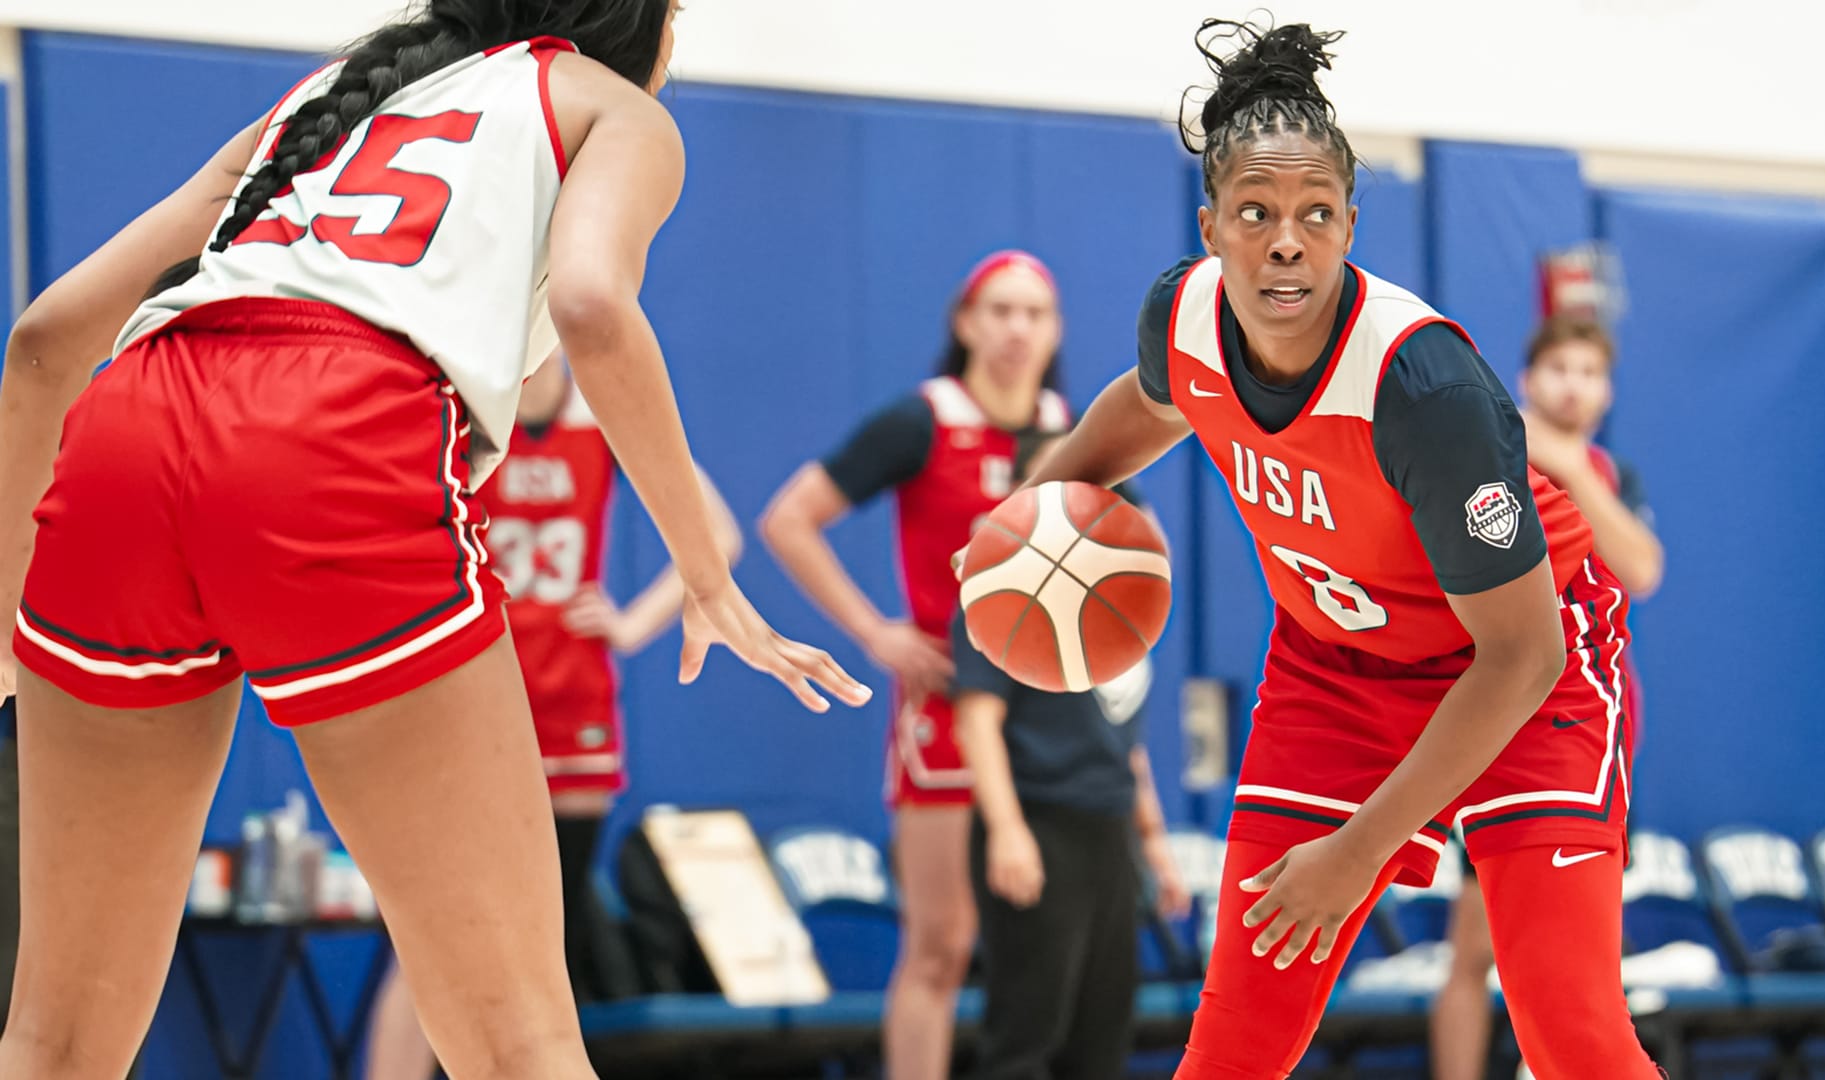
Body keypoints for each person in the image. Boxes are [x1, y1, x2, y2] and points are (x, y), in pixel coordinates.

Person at [0, 2, 869, 1075]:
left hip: (126, 430)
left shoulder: (322, 97)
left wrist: (10, 631)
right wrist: (705, 575)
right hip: (333, 431)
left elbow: (42, 343)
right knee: (520, 1042)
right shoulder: (615, 110)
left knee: (55, 1038)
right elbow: (596, 306)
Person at [973, 19, 1660, 1079]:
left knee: (1569, 1028)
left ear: (1348, 225)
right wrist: (1027, 519)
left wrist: (1357, 852)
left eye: (1313, 215)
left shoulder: (1423, 387)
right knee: (1233, 1048)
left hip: (1528, 669)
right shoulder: (1187, 319)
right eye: (1254, 213)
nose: (1284, 240)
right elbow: (1150, 401)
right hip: (1332, 671)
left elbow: (1521, 658)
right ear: (1211, 226)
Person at [363, 353, 744, 1080]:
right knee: (427, 946)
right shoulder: (463, 406)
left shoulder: (601, 416)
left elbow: (719, 535)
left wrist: (633, 624)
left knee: (543, 949)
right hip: (470, 693)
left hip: (573, 700)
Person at [760, 251, 1070, 1080]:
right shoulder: (924, 420)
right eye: (999, 310)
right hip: (945, 702)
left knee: (1047, 945)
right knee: (942, 943)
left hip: (1046, 710)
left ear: (1055, 330)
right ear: (966, 323)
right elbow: (790, 519)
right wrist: (874, 632)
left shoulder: (1067, 426)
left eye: (1034, 313)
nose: (1016, 328)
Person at [1430, 314, 1663, 1080]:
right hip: (1500, 725)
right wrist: (1544, 455)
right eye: (1559, 368)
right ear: (1526, 381)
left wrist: (1570, 463)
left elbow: (1641, 568)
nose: (1574, 384)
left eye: (1590, 371)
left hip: (1590, 740)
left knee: (1582, 961)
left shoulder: (1610, 473)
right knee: (1475, 947)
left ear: (1608, 391)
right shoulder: (1490, 456)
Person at [951, 435, 1189, 1079]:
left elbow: (1125, 740)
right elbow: (978, 719)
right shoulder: (1000, 587)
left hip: (1108, 830)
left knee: (1103, 1035)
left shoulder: (1121, 592)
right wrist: (1006, 831)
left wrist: (1154, 842)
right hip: (1039, 819)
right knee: (1027, 1035)